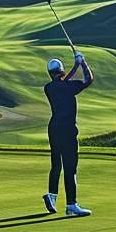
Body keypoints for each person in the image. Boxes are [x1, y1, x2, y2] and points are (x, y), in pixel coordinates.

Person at [42, 51, 93, 216]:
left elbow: (63, 81)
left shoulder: (48, 88)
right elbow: (88, 79)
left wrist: (78, 63)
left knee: (56, 164)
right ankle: (71, 205)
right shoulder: (68, 86)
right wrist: (81, 63)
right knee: (70, 168)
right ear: (62, 70)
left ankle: (52, 195)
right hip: (68, 130)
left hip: (54, 129)